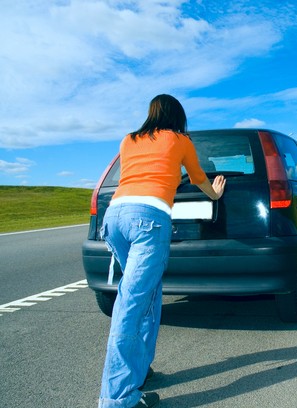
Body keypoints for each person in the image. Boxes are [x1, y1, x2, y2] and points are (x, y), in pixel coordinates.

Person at [98, 94, 225, 408]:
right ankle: (117, 399)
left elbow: (138, 175)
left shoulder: (129, 140)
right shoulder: (180, 140)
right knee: (131, 305)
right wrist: (216, 194)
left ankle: (138, 371)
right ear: (177, 116)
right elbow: (197, 178)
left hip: (115, 218)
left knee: (149, 297)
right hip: (148, 221)